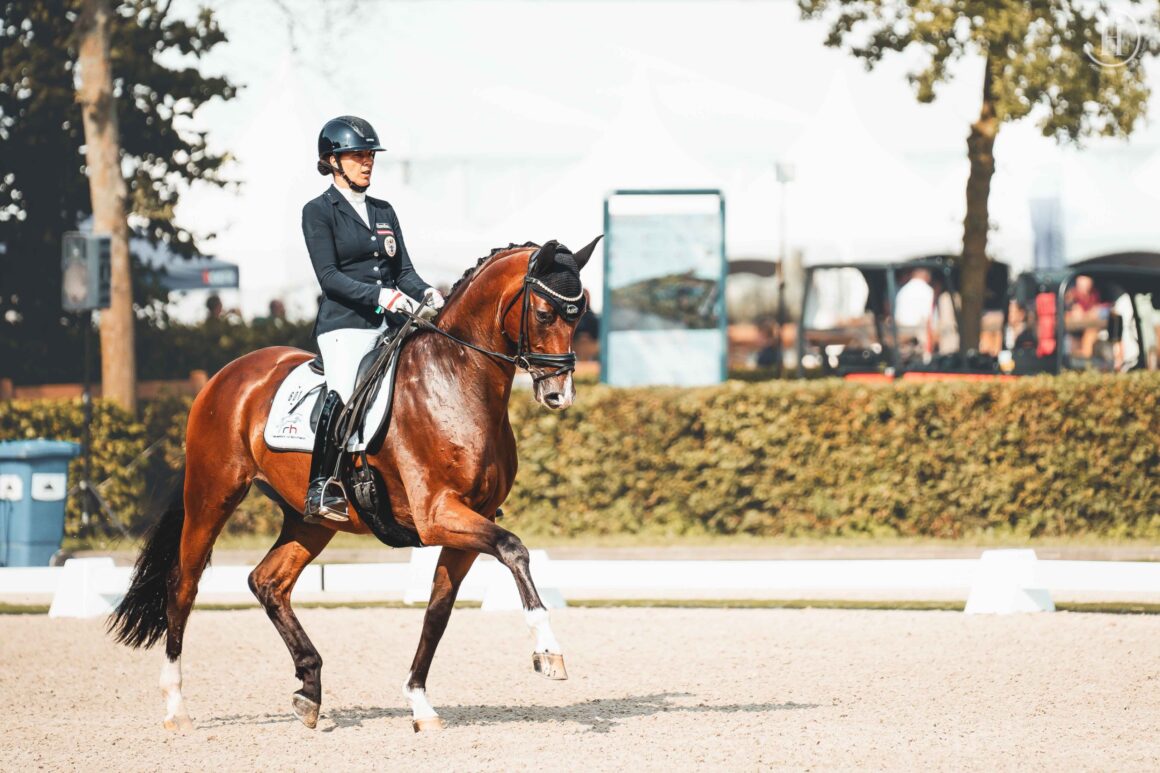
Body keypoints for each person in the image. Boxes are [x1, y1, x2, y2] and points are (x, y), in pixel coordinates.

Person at [301, 115, 444, 521]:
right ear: (332, 161)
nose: (367, 163)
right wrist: (383, 296)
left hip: (390, 324)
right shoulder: (318, 212)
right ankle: (321, 487)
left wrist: (430, 294)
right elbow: (329, 278)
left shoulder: (384, 210)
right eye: (357, 155)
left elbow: (405, 273)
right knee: (344, 390)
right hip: (344, 325)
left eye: (369, 156)